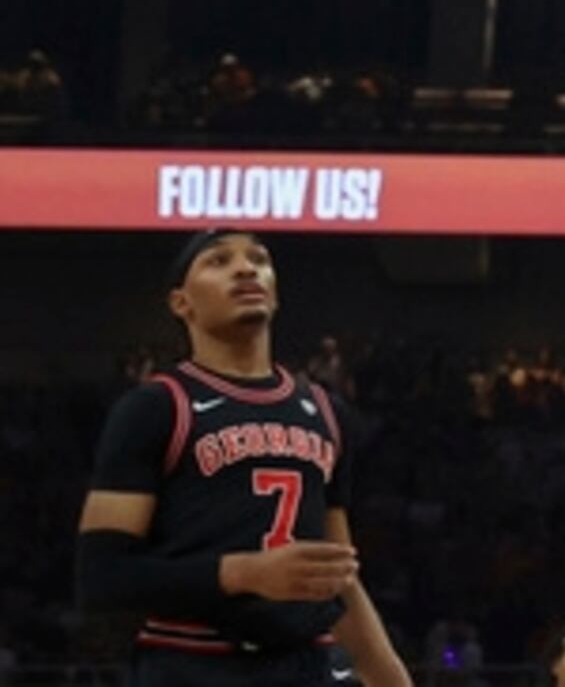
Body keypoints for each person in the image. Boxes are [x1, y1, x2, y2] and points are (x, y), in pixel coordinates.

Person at [74, 231, 417, 687]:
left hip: (305, 664)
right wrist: (242, 573)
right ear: (182, 304)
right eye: (218, 261)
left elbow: (336, 575)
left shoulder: (328, 412)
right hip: (192, 662)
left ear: (274, 293)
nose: (245, 268)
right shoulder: (157, 407)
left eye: (259, 259)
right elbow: (103, 579)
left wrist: (390, 676)